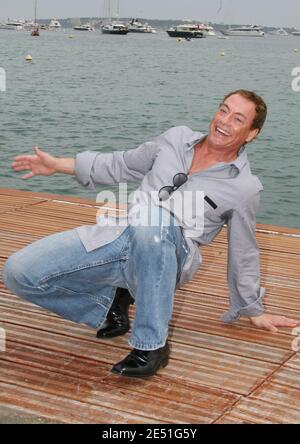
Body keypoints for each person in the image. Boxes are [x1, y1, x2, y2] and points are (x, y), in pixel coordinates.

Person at [3, 90, 298, 378]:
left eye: (237, 119)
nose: (224, 121)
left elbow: (243, 250)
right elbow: (120, 164)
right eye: (223, 110)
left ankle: (151, 346)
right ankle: (108, 306)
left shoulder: (244, 188)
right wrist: (57, 165)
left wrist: (252, 309)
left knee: (154, 218)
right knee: (20, 273)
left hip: (172, 254)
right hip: (121, 234)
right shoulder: (175, 139)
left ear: (251, 134)